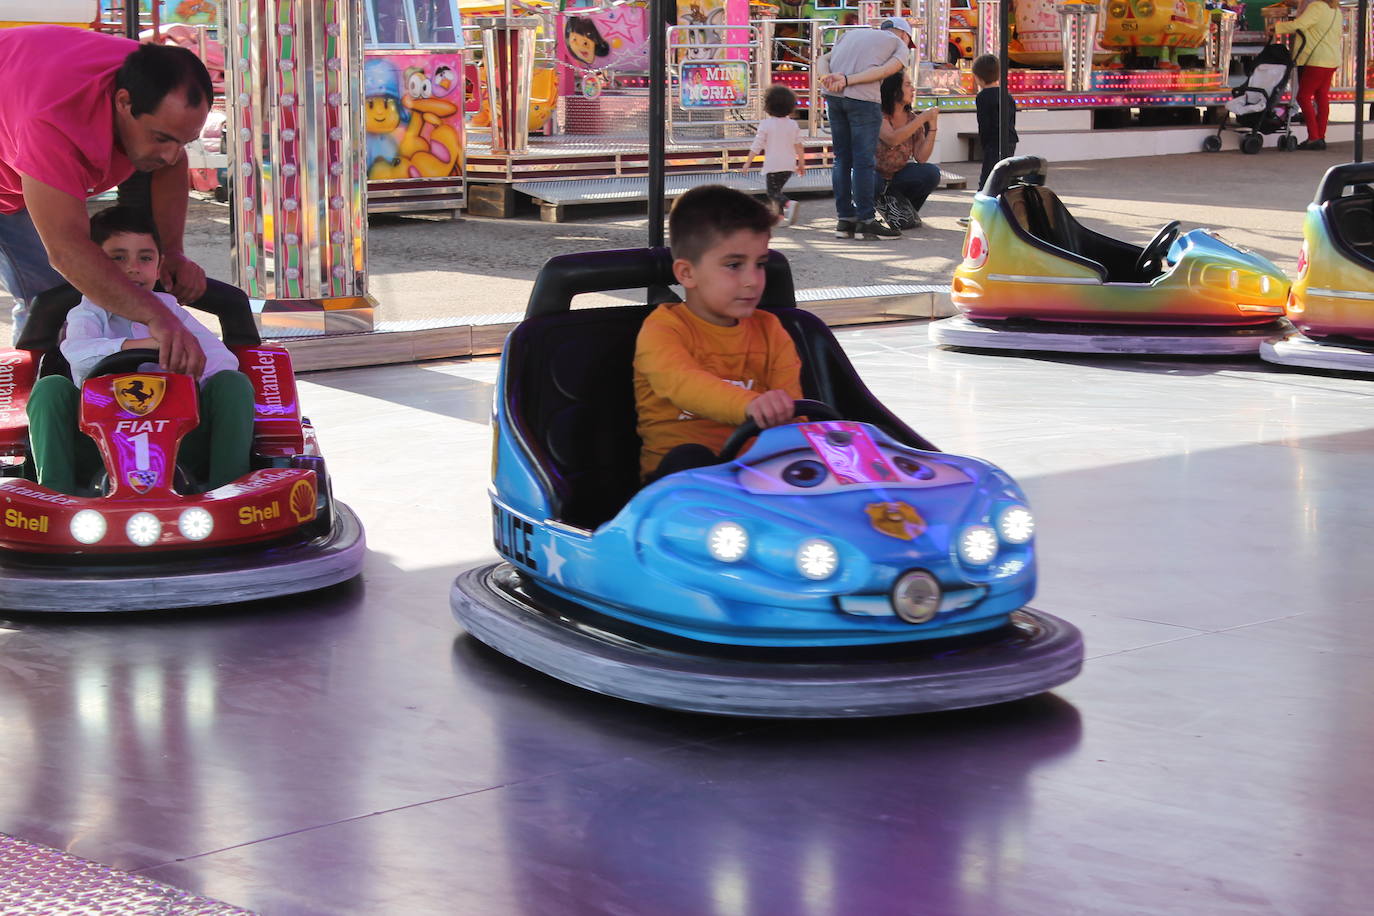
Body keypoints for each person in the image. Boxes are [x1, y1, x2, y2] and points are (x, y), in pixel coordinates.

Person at [0, 25, 212, 377]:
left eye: (183, 141)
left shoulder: (154, 78)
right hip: (19, 152)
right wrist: (159, 316)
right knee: (49, 300)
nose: (172, 155)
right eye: (160, 138)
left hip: (31, 95)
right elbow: (66, 249)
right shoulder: (52, 123)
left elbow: (171, 165)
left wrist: (172, 252)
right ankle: (38, 404)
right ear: (123, 102)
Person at [26, 206, 253, 496]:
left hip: (180, 445)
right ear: (93, 265)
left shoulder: (172, 313)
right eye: (118, 258)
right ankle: (54, 496)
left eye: (144, 258)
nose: (133, 267)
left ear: (158, 268)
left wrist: (187, 366)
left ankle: (230, 493)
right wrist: (146, 346)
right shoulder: (88, 312)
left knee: (232, 384)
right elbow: (78, 357)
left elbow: (223, 362)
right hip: (97, 447)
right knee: (50, 388)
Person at [633, 185, 803, 482]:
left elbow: (791, 408)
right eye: (734, 265)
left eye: (760, 264)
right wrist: (750, 405)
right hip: (677, 486)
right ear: (687, 273)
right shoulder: (663, 330)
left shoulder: (771, 330)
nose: (752, 281)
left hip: (757, 474)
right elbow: (684, 384)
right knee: (690, 457)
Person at [819, 17, 914, 240]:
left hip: (833, 97)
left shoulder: (851, 34)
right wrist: (847, 79)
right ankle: (866, 220)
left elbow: (822, 59)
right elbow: (884, 71)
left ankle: (845, 221)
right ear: (904, 34)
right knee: (863, 160)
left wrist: (828, 78)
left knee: (841, 159)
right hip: (863, 100)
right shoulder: (899, 45)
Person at [874, 71, 942, 229]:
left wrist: (932, 127)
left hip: (897, 176)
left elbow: (921, 157)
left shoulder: (912, 118)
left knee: (931, 173)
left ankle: (904, 210)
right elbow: (891, 139)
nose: (913, 89)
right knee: (869, 180)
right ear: (894, 89)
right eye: (907, 84)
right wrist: (923, 118)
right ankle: (865, 218)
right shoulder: (878, 114)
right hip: (874, 173)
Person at [1271, 0, 1342, 150]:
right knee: (1321, 96)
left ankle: (1314, 137)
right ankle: (1320, 136)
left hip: (1316, 59)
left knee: (1303, 96)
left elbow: (1300, 24)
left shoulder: (1317, 7)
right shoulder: (1336, 9)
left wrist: (1276, 27)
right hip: (1332, 59)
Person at [743, 85, 806, 226]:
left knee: (772, 193)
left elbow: (757, 145)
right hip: (789, 166)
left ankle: (789, 204)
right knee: (777, 191)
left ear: (768, 105)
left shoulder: (765, 124)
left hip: (773, 165)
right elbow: (799, 146)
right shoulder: (793, 124)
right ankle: (780, 218)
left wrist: (748, 162)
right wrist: (801, 164)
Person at [973, 53, 1019, 192]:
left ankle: (984, 198)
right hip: (1010, 138)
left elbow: (984, 124)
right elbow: (1012, 118)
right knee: (1004, 172)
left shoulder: (982, 97)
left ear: (978, 78)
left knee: (988, 175)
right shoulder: (1007, 95)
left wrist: (984, 144)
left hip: (993, 141)